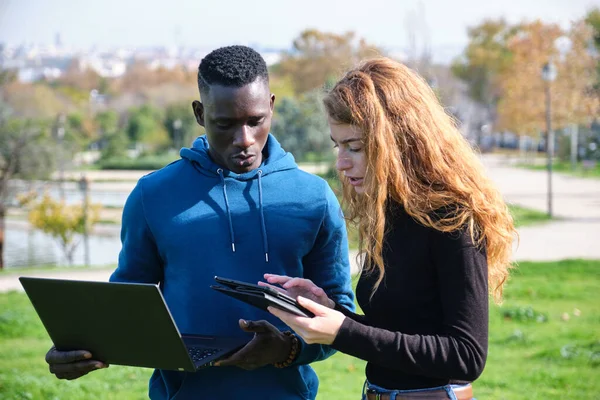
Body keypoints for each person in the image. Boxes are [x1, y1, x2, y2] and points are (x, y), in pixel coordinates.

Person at [44, 45, 355, 399]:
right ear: (199, 113)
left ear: (271, 105)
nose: (244, 140)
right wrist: (80, 349)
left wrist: (287, 349)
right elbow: (126, 307)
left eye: (256, 121)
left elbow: (340, 316)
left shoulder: (313, 196)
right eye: (225, 124)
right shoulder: (153, 195)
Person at [265, 57, 516, 400]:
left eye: (354, 147)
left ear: (398, 142)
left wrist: (342, 332)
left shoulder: (453, 218)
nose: (341, 162)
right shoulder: (389, 213)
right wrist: (330, 312)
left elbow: (466, 355)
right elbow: (399, 333)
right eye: (337, 145)